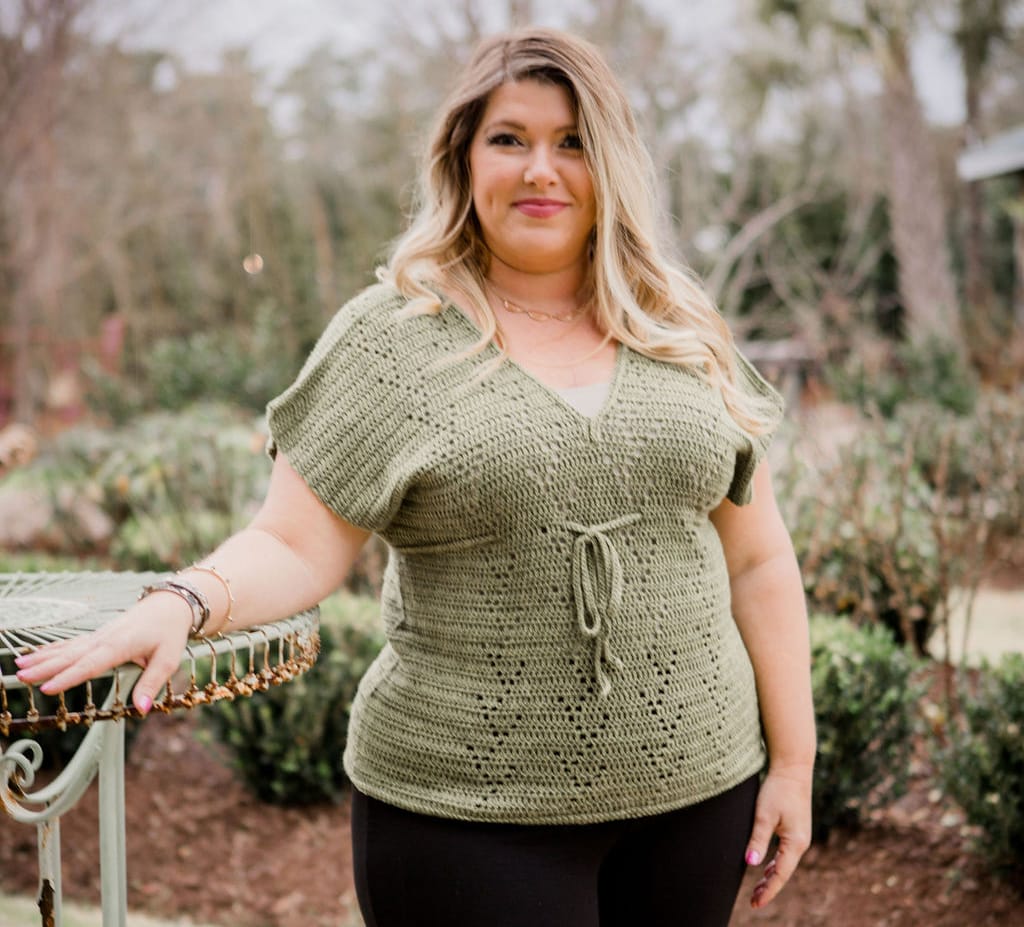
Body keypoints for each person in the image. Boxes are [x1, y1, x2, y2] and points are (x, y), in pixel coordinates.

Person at [17, 27, 815, 927]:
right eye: (509, 138)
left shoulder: (682, 330)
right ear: (464, 158)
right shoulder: (392, 337)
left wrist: (793, 764)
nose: (541, 169)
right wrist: (185, 601)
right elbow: (294, 541)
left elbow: (758, 560)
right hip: (468, 824)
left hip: (699, 806)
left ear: (613, 162)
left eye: (573, 141)